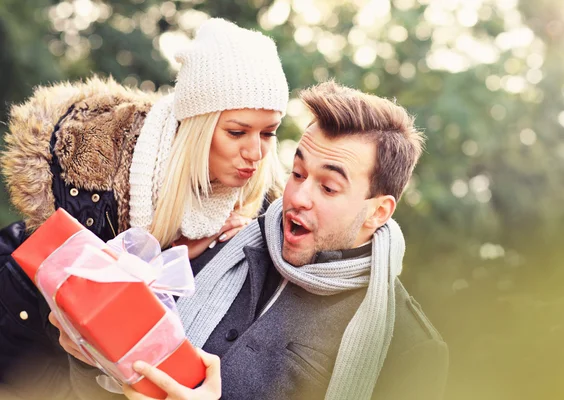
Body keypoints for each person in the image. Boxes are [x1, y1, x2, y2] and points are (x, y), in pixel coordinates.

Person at [60, 81, 449, 400]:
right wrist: (88, 355)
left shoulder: (411, 349)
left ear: (378, 211)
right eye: (298, 173)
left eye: (328, 187)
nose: (298, 197)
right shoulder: (217, 243)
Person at [0, 18, 289, 396]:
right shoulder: (95, 185)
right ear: (196, 127)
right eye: (237, 132)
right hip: (25, 348)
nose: (256, 152)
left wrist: (239, 246)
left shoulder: (263, 212)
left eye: (269, 133)